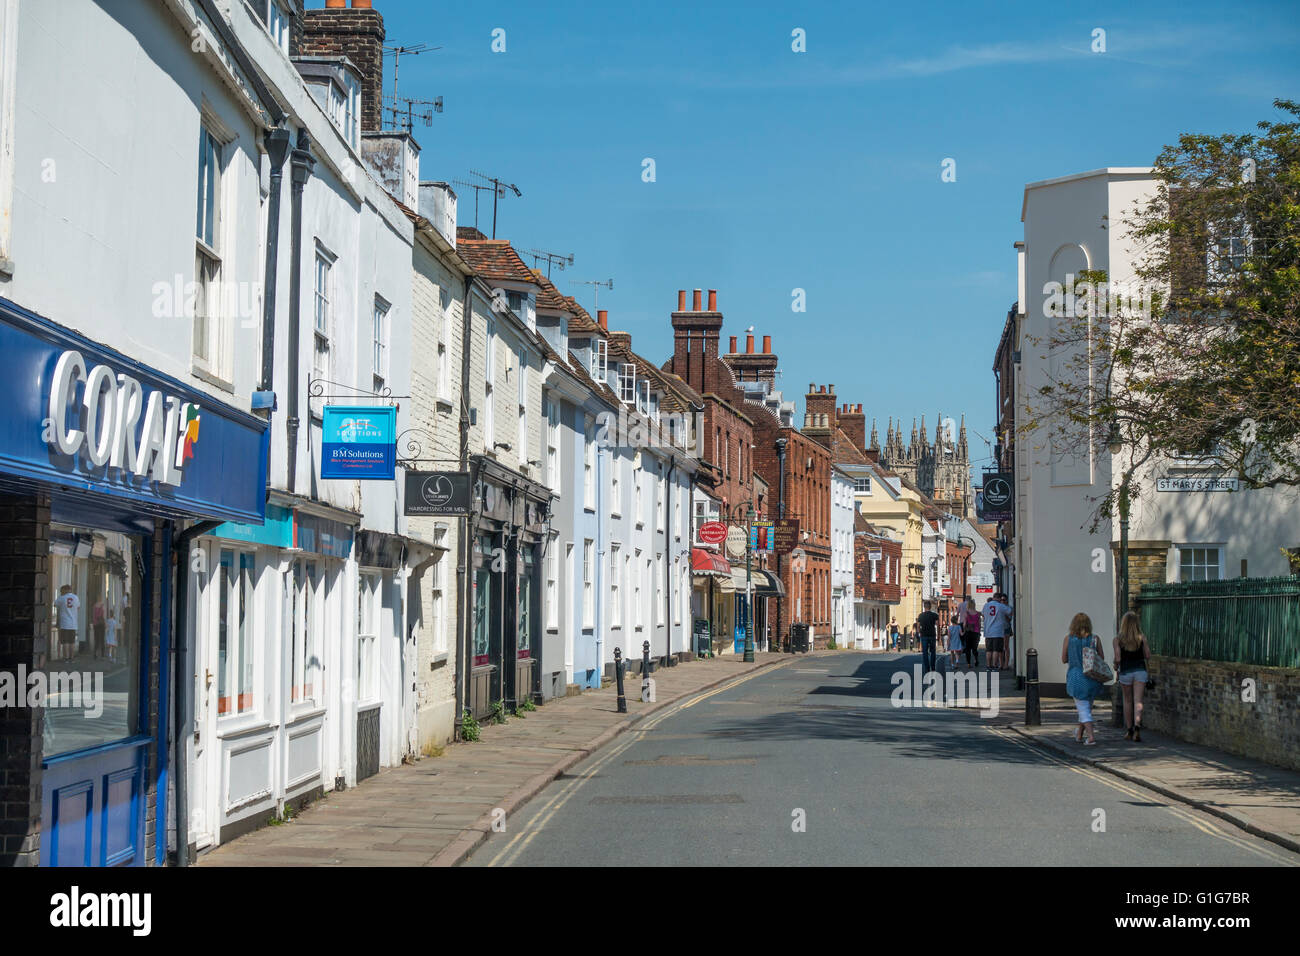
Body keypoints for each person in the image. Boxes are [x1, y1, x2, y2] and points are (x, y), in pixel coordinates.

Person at [1063, 612, 1105, 746]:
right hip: (1092, 677)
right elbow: (1101, 658)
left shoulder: (1069, 639)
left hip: (1076, 677)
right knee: (1086, 708)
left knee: (1083, 709)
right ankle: (1079, 734)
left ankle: (1091, 737)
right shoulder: (1095, 638)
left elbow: (1064, 659)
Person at [1113, 611, 1151, 742]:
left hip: (1126, 672)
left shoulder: (1118, 640)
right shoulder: (1142, 637)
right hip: (1140, 671)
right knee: (1138, 701)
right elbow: (1147, 656)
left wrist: (1115, 665)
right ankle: (1137, 729)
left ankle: (1129, 730)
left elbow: (1118, 658)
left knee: (1127, 701)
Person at [984, 593, 1012, 671]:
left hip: (988, 631)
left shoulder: (986, 605)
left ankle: (988, 665)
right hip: (997, 631)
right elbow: (1010, 611)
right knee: (996, 650)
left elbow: (983, 614)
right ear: (999, 598)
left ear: (993, 597)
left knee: (989, 650)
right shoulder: (1000, 606)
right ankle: (994, 665)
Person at [54, 583, 80, 662]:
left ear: (65, 590)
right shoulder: (76, 597)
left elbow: (55, 604)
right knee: (72, 642)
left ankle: (65, 658)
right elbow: (78, 607)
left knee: (65, 642)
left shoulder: (62, 598)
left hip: (65, 623)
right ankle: (71, 658)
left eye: (62, 591)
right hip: (73, 624)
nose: (61, 592)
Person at [916, 600, 940, 675]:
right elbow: (938, 625)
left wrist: (920, 633)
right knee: (933, 652)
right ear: (930, 607)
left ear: (924, 607)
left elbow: (918, 626)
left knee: (925, 653)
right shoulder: (934, 615)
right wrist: (938, 635)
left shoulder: (921, 615)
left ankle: (927, 668)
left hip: (924, 636)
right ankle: (933, 667)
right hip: (932, 635)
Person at [962, 597, 981, 669]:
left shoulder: (966, 613)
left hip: (968, 632)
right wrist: (979, 632)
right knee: (974, 648)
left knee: (967, 648)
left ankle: (969, 663)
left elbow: (964, 624)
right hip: (976, 633)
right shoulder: (978, 614)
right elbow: (979, 625)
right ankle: (976, 659)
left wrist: (964, 630)